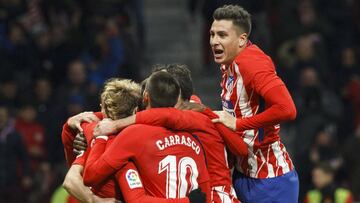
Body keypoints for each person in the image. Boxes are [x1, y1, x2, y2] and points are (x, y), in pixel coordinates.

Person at [94, 64, 247, 202]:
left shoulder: (193, 116)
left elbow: (163, 115)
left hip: (213, 197)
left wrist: (115, 125)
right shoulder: (192, 110)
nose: (163, 93)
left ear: (179, 94)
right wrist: (95, 117)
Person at [209, 5, 298, 203]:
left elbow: (287, 109)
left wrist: (238, 124)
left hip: (270, 181)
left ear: (241, 40)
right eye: (212, 34)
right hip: (243, 175)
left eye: (222, 35)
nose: (214, 41)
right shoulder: (228, 64)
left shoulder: (252, 63)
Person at [62, 78, 204, 203]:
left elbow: (70, 180)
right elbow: (137, 200)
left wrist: (70, 123)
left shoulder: (92, 130)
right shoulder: (127, 150)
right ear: (137, 110)